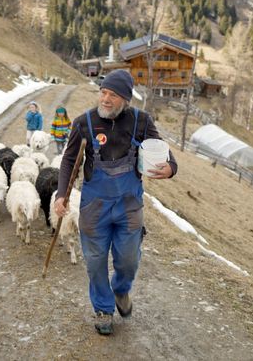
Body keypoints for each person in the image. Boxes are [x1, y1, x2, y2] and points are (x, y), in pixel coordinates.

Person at [54, 69, 177, 336]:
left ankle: (121, 289)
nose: (106, 99)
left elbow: (164, 152)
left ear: (126, 99)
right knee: (95, 261)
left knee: (128, 260)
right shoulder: (84, 122)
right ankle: (103, 308)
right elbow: (68, 160)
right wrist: (61, 193)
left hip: (129, 207)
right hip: (94, 207)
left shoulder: (141, 122)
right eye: (104, 92)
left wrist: (170, 168)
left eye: (113, 95)